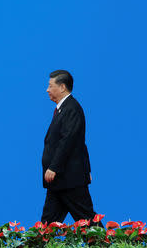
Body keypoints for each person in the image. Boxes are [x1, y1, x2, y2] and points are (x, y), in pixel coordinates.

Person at [41, 70, 103, 227]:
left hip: (69, 178)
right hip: (60, 181)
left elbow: (68, 141)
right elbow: (79, 143)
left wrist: (54, 167)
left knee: (88, 221)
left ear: (62, 87)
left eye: (50, 86)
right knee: (47, 224)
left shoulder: (72, 109)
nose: (47, 90)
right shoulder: (63, 109)